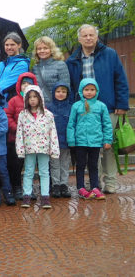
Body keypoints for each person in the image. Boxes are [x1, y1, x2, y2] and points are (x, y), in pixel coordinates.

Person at [66, 24, 129, 194]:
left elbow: (120, 79)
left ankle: (110, 182)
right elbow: (71, 86)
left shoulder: (109, 54)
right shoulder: (72, 60)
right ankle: (96, 183)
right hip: (84, 109)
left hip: (107, 106)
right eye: (84, 35)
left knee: (107, 146)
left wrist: (122, 104)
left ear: (96, 37)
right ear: (79, 39)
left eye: (91, 35)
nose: (88, 38)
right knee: (92, 148)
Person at [66, 78, 113, 200]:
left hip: (95, 142)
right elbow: (71, 124)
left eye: (92, 89)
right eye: (86, 89)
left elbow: (107, 124)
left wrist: (107, 140)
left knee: (93, 165)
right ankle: (81, 187)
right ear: (81, 91)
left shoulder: (101, 106)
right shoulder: (76, 106)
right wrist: (71, 140)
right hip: (80, 142)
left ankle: (95, 187)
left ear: (96, 91)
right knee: (80, 165)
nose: (89, 92)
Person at [16, 85, 59, 209]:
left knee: (44, 172)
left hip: (44, 148)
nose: (33, 100)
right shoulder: (23, 115)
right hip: (29, 149)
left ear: (40, 98)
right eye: (30, 97)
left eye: (35, 97)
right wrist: (20, 149)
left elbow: (53, 132)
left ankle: (45, 196)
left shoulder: (48, 115)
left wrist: (54, 149)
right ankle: (27, 196)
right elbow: (19, 133)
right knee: (28, 172)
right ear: (26, 100)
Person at [5, 72, 38, 200]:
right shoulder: (14, 100)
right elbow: (7, 116)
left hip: (32, 140)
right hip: (15, 139)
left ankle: (28, 188)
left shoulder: (37, 100)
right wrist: (17, 129)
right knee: (15, 165)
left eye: (29, 83)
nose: (26, 86)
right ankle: (16, 187)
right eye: (24, 83)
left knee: (29, 166)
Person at [31, 36, 70, 107]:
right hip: (39, 106)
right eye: (39, 49)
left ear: (51, 50)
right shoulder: (35, 68)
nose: (42, 51)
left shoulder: (60, 65)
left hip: (56, 106)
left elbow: (65, 88)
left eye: (45, 48)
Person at [50, 83, 73, 199]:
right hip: (53, 142)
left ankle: (64, 184)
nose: (61, 94)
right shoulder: (49, 107)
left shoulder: (70, 108)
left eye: (63, 92)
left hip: (66, 142)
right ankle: (56, 185)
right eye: (58, 91)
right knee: (54, 164)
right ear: (54, 93)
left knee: (64, 164)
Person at [0, 32, 30, 101]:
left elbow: (9, 83)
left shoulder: (22, 64)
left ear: (19, 45)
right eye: (6, 45)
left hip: (8, 102)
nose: (9, 47)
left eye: (12, 45)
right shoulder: (1, 64)